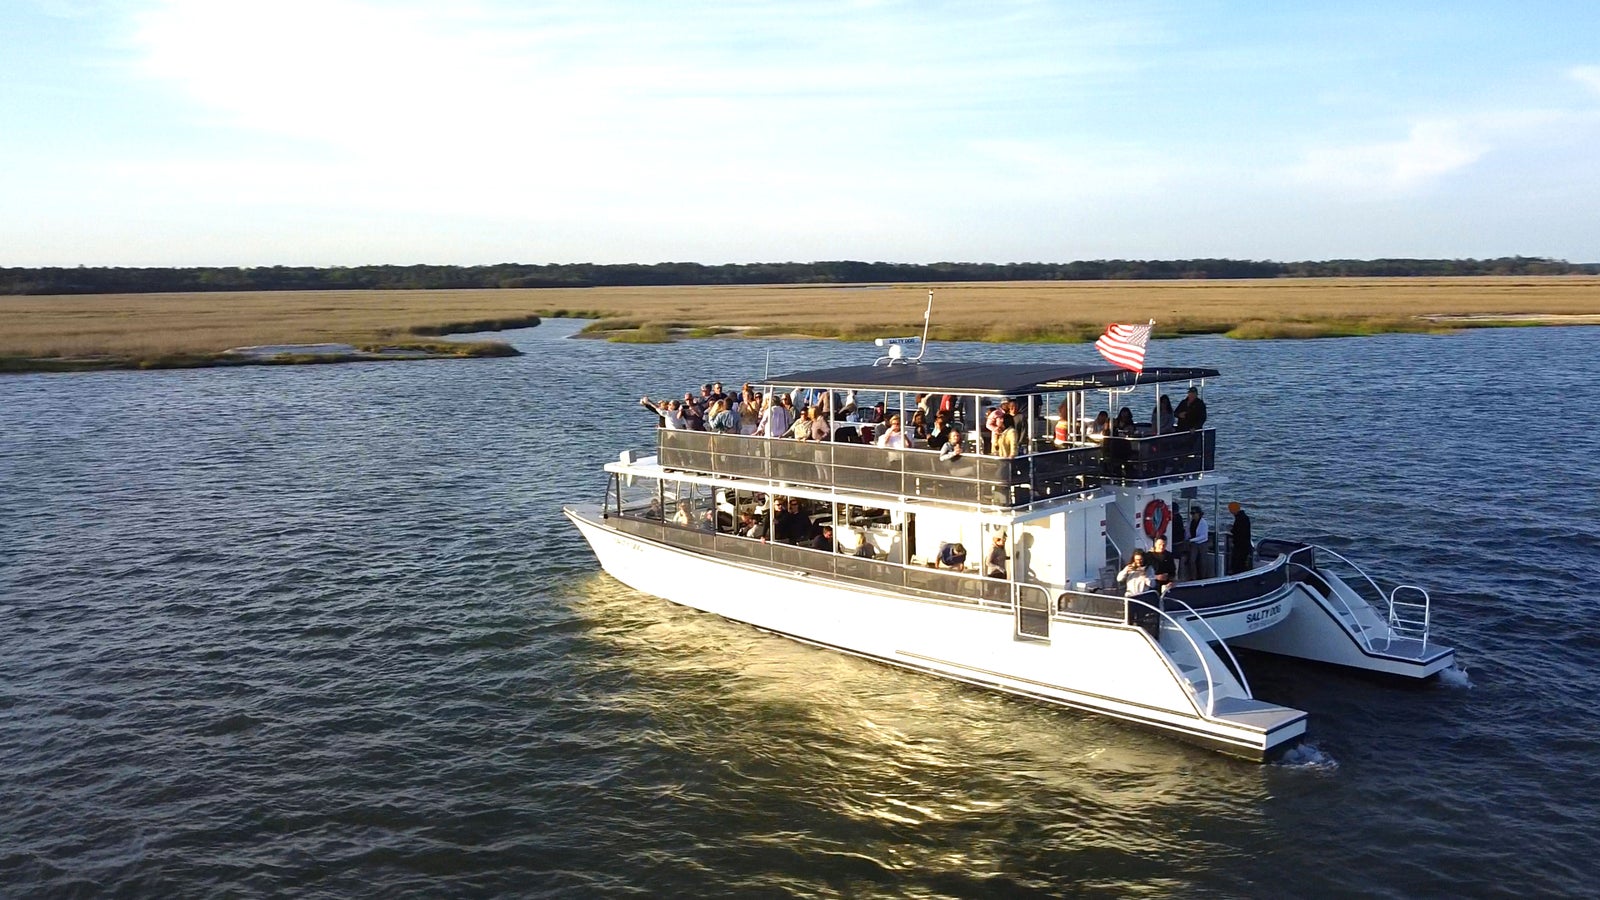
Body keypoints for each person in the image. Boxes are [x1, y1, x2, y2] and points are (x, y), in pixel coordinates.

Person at [1183, 506, 1210, 578]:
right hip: (1193, 544)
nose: (1192, 515)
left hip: (1202, 544)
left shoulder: (1203, 523)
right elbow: (1187, 532)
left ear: (1199, 514)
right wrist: (1187, 540)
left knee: (1202, 562)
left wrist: (1191, 540)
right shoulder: (1190, 522)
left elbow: (1203, 536)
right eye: (1191, 513)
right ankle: (1193, 577)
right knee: (1192, 561)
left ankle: (1203, 577)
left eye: (1194, 513)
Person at [1228, 501, 1253, 574]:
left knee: (1238, 564)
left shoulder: (1240, 519)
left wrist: (1232, 530)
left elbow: (1239, 531)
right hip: (1243, 545)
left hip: (1240, 546)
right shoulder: (1243, 517)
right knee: (1240, 563)